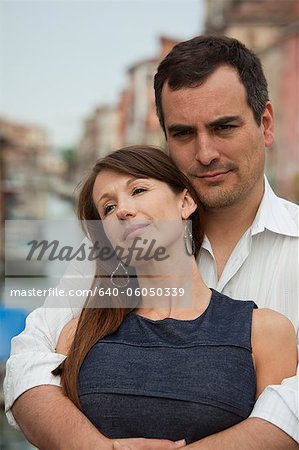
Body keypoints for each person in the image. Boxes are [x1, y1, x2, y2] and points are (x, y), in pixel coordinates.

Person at [4, 35, 299, 450]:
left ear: (265, 124)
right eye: (182, 133)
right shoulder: (106, 255)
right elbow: (27, 366)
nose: (206, 152)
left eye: (224, 126)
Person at [54, 145, 296, 448]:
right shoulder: (78, 336)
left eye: (138, 190)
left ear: (185, 202)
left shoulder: (265, 332)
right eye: (108, 208)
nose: (124, 210)